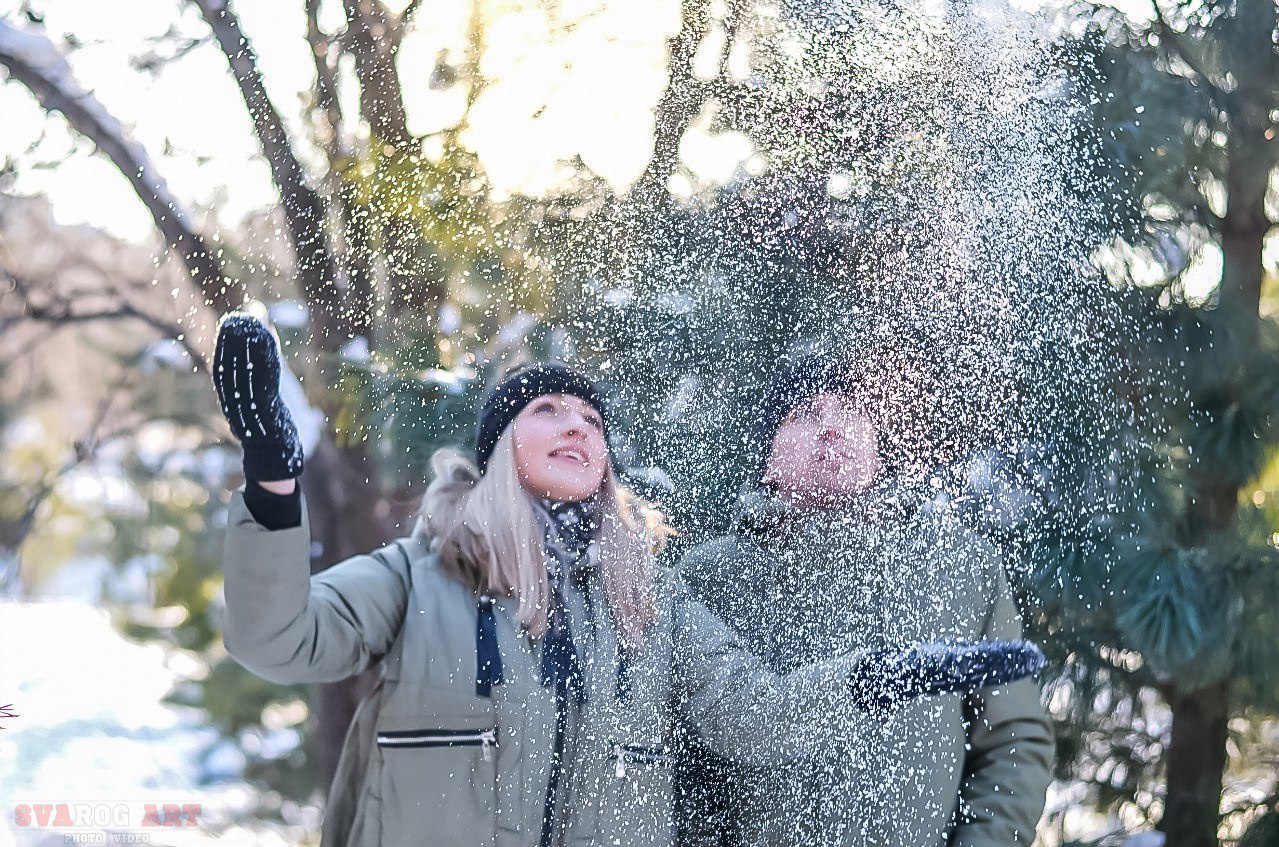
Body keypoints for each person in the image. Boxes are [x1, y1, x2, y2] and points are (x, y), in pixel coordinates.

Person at [211, 313, 1045, 847]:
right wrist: (273, 484)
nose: (575, 423)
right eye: (547, 411)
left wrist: (875, 676)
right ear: (499, 448)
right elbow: (276, 638)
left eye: (592, 420)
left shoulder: (648, 600)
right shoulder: (417, 578)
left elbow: (750, 716)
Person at [676, 352, 1055, 847]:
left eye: (851, 410)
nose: (831, 428)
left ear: (877, 445)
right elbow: (673, 757)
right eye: (805, 414)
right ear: (767, 455)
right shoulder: (711, 576)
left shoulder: (961, 563)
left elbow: (1013, 741)